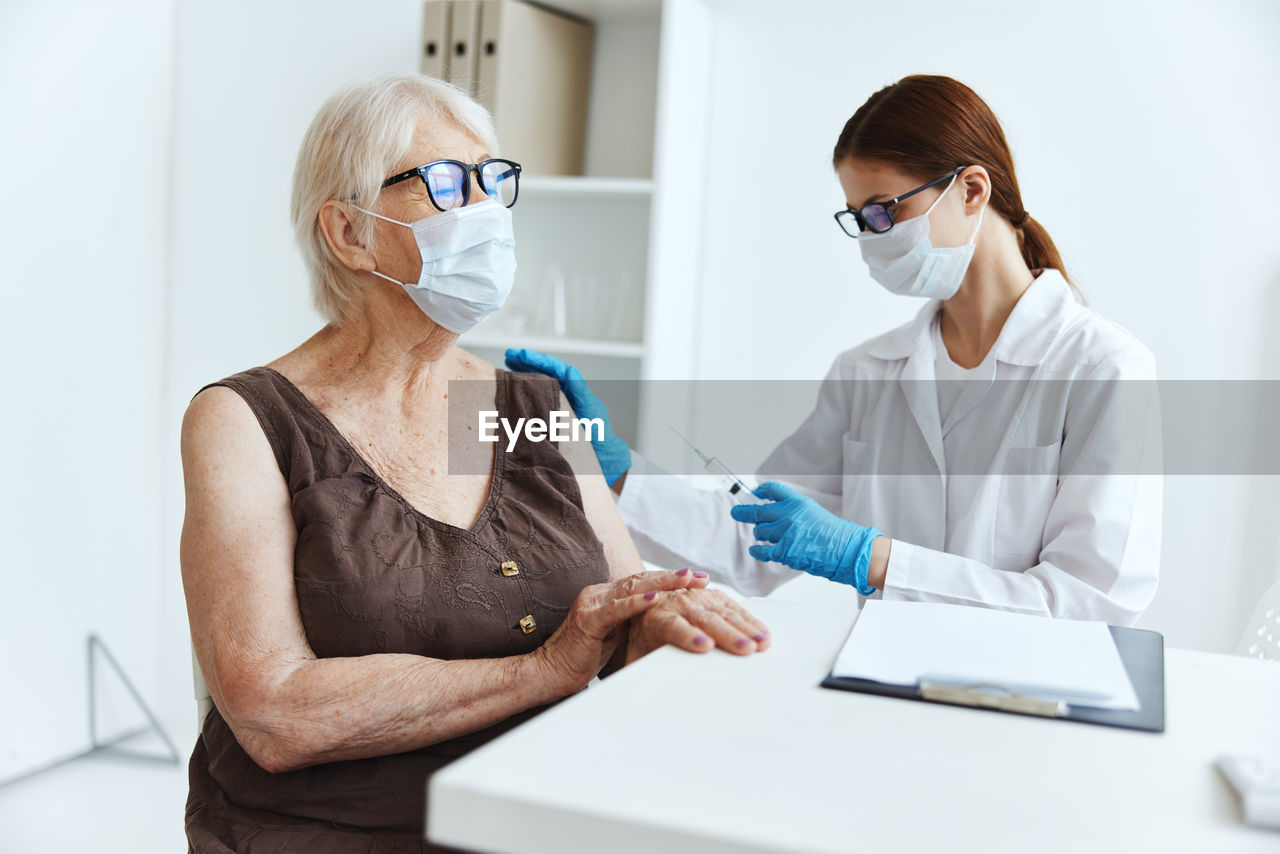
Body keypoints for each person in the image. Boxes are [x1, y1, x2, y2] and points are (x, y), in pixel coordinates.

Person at [179, 72, 769, 853]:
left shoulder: (526, 406)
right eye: (448, 185)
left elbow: (618, 622)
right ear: (349, 233)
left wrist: (670, 618)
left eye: (494, 181)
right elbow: (273, 712)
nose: (486, 212)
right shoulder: (245, 419)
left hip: (535, 817)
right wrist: (543, 669)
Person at [509, 74, 1161, 625]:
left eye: (883, 212)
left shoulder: (1103, 367)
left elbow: (1090, 604)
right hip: (883, 690)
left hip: (1032, 714)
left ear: (971, 190)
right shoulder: (868, 373)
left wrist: (872, 559)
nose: (870, 238)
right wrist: (614, 467)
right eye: (857, 218)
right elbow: (749, 541)